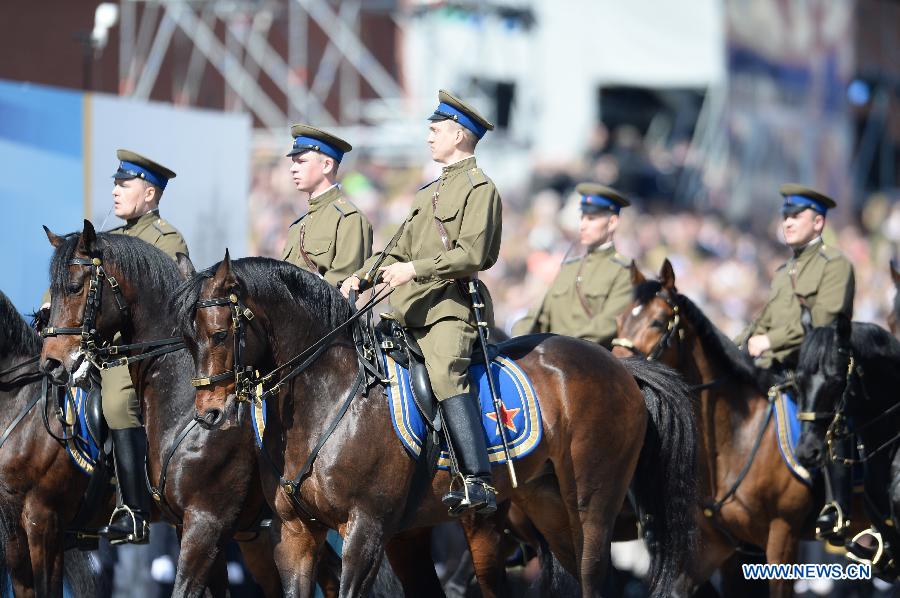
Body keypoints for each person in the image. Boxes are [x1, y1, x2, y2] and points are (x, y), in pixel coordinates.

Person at [341, 90, 502, 515]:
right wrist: (363, 275)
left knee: (446, 372)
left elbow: (472, 254)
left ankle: (476, 479)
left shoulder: (479, 189)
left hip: (449, 308)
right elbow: (396, 250)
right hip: (408, 310)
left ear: (460, 135)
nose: (428, 137)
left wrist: (414, 270)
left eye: (436, 130)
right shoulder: (425, 193)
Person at [43, 150, 188, 544]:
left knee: (117, 402)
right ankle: (86, 505)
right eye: (115, 183)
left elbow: (173, 304)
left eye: (125, 184)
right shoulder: (107, 241)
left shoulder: (166, 237)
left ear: (150, 194)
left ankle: (134, 511)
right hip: (100, 351)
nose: (115, 191)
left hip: (141, 357)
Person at [737, 183, 855, 545]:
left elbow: (823, 322)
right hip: (775, 369)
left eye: (796, 216)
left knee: (827, 419)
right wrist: (733, 347)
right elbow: (762, 321)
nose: (787, 222)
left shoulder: (835, 265)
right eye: (785, 215)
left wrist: (769, 342)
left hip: (815, 370)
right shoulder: (782, 271)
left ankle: (836, 505)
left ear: (818, 223)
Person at [512, 184, 632, 347]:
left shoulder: (624, 271)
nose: (582, 225)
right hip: (550, 358)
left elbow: (606, 326)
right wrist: (515, 340)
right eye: (582, 217)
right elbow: (537, 317)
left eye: (591, 219)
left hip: (592, 362)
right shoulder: (569, 267)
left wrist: (560, 346)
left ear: (612, 222)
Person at [282, 124, 373, 286]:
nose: (293, 169)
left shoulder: (348, 219)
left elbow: (343, 286)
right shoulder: (298, 225)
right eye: (293, 162)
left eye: (301, 161)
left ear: (327, 165)